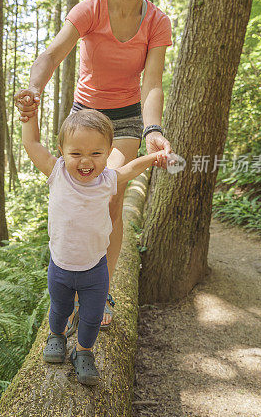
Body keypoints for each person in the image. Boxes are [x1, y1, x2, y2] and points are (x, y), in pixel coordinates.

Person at [15, 0, 173, 333]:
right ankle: (68, 275)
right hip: (85, 115)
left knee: (110, 191)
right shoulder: (92, 9)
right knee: (73, 190)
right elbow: (51, 55)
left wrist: (153, 129)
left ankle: (100, 290)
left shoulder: (157, 22)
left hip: (125, 120)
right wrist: (34, 88)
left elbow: (152, 84)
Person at [22, 107, 168, 386]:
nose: (85, 161)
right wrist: (29, 114)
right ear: (62, 151)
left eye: (96, 154)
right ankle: (56, 336)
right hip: (61, 267)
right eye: (76, 153)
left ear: (109, 151)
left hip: (95, 269)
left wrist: (153, 158)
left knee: (91, 316)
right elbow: (31, 143)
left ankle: (83, 352)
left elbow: (131, 168)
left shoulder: (107, 179)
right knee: (60, 308)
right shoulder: (56, 173)